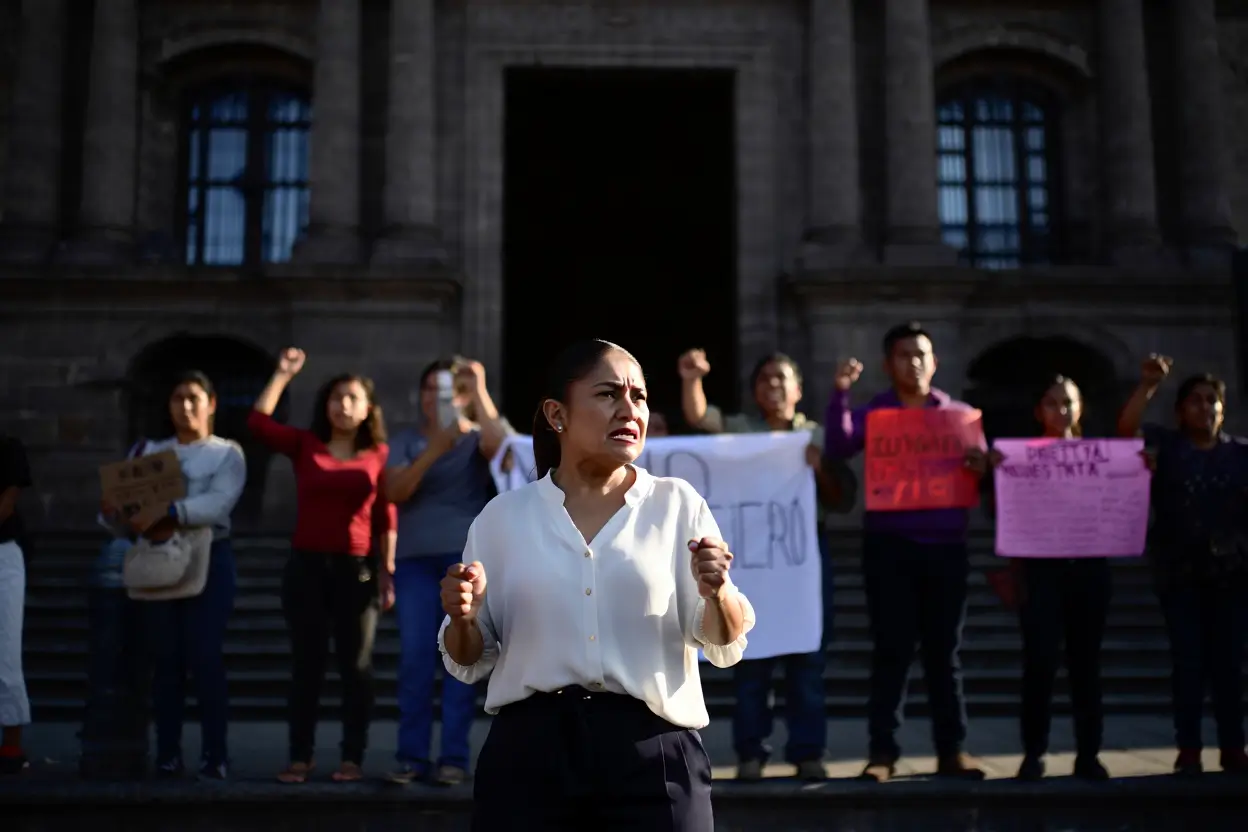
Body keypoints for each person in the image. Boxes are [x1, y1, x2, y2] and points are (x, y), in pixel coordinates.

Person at [439, 339, 755, 831]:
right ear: (557, 414)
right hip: (530, 757)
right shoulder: (502, 518)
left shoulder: (677, 504)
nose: (629, 410)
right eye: (608, 394)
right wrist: (461, 617)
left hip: (654, 755)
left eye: (640, 397)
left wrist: (718, 592)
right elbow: (467, 656)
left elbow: (722, 639)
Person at [678, 348, 856, 781]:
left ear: (798, 388)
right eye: (765, 380)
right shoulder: (741, 431)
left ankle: (808, 751)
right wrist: (691, 379)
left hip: (802, 560)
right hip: (753, 559)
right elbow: (702, 418)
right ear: (755, 391)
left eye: (782, 378)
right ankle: (750, 754)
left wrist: (819, 471)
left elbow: (842, 497)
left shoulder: (815, 435)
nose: (774, 386)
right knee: (750, 657)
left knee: (806, 660)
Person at [824, 321, 990, 782]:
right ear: (888, 364)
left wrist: (982, 463)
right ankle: (883, 753)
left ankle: (952, 750)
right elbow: (838, 445)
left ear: (934, 362)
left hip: (946, 549)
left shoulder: (959, 416)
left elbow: (981, 468)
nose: (913, 362)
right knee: (891, 651)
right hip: (889, 549)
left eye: (921, 354)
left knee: (945, 653)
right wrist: (840, 393)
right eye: (903, 355)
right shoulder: (876, 412)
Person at [249, 348, 397, 784]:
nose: (343, 405)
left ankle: (352, 756)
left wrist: (388, 573)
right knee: (306, 666)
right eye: (336, 397)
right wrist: (282, 373)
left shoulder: (380, 454)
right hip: (307, 569)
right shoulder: (305, 445)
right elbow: (258, 424)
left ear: (368, 408)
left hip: (357, 570)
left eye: (352, 398)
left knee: (357, 667)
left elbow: (387, 516)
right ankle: (300, 756)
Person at [100, 371, 247, 779]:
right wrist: (113, 509)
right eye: (177, 398)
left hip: (208, 556)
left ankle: (215, 753)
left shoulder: (227, 453)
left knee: (204, 656)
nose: (185, 406)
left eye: (194, 397)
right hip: (157, 556)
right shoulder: (148, 450)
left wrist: (168, 510)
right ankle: (167, 752)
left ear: (211, 403)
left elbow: (218, 505)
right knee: (165, 661)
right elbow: (119, 512)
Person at [1118, 355, 1248, 775]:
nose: (1204, 408)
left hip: (1232, 575)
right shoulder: (1167, 447)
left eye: (1212, 401)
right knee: (1188, 663)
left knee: (1229, 665)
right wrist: (1148, 386)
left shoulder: (1241, 455)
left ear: (1223, 409)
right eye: (1195, 401)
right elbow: (1124, 431)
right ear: (1180, 411)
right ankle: (1188, 747)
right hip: (1180, 574)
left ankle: (1233, 746)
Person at [384, 357, 511, 786]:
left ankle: (453, 758)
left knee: (462, 658)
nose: (438, 400)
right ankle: (411, 757)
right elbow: (395, 491)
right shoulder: (405, 441)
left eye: (450, 391)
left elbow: (507, 452)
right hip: (415, 564)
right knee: (416, 659)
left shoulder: (476, 437)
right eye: (431, 391)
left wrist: (478, 391)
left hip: (466, 564)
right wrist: (437, 446)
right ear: (419, 397)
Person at [988, 376, 1114, 781]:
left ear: (1081, 409)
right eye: (1053, 402)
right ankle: (1033, 752)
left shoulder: (1105, 457)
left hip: (1089, 569)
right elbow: (998, 513)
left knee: (1086, 665)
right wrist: (998, 478)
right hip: (1040, 571)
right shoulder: (1022, 457)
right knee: (1040, 663)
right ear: (1038, 411)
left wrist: (1140, 469)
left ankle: (1089, 753)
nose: (1061, 410)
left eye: (1069, 402)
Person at [0, 434, 32, 775]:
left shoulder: (7, 446)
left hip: (2, 553)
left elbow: (7, 502)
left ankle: (11, 744)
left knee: (5, 649)